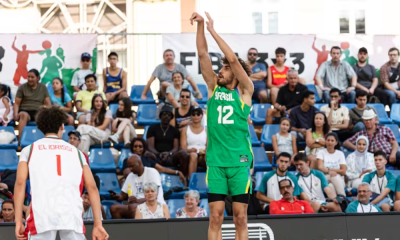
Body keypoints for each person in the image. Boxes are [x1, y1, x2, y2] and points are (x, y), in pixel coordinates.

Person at [191, 12, 254, 240]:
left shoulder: (245, 92)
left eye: (225, 68)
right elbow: (202, 53)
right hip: (216, 162)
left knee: (240, 218)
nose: (221, 70)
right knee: (215, 217)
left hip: (238, 162)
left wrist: (213, 30)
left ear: (236, 75)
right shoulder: (212, 88)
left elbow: (235, 61)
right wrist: (200, 26)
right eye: (222, 67)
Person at [14, 106, 108, 240]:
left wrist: (18, 220)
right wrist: (98, 224)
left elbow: (20, 184)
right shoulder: (78, 153)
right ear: (62, 126)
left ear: (41, 127)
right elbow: (92, 188)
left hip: (41, 215)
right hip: (71, 215)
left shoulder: (29, 150)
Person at [110, 155, 165, 219]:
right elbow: (122, 196)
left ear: (139, 163)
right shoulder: (130, 176)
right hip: (136, 206)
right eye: (129, 167)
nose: (130, 169)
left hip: (154, 205)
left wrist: (137, 201)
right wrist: (117, 196)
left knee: (133, 207)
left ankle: (139, 228)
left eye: (132, 166)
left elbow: (154, 196)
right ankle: (123, 229)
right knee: (114, 209)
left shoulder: (152, 172)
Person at [120, 138, 185, 183]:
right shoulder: (127, 160)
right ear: (132, 148)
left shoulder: (148, 160)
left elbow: (163, 169)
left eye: (140, 147)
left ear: (143, 148)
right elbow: (127, 174)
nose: (137, 148)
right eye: (135, 146)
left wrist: (177, 172)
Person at [13, 69, 51, 141]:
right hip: (25, 111)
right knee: (23, 115)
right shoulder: (22, 87)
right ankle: (20, 142)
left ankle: (45, 141)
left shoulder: (43, 87)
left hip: (38, 111)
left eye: (32, 77)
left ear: (37, 78)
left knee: (45, 117)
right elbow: (17, 103)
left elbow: (48, 103)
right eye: (28, 77)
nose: (30, 79)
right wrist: (15, 114)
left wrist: (48, 112)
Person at [180, 106, 207, 179]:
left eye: (198, 114)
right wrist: (190, 150)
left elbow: (209, 146)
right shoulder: (185, 130)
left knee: (208, 155)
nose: (196, 116)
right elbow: (183, 147)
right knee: (193, 155)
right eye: (193, 114)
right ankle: (190, 181)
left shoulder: (207, 131)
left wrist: (205, 152)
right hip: (190, 154)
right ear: (191, 116)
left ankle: (213, 182)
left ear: (201, 116)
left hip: (202, 155)